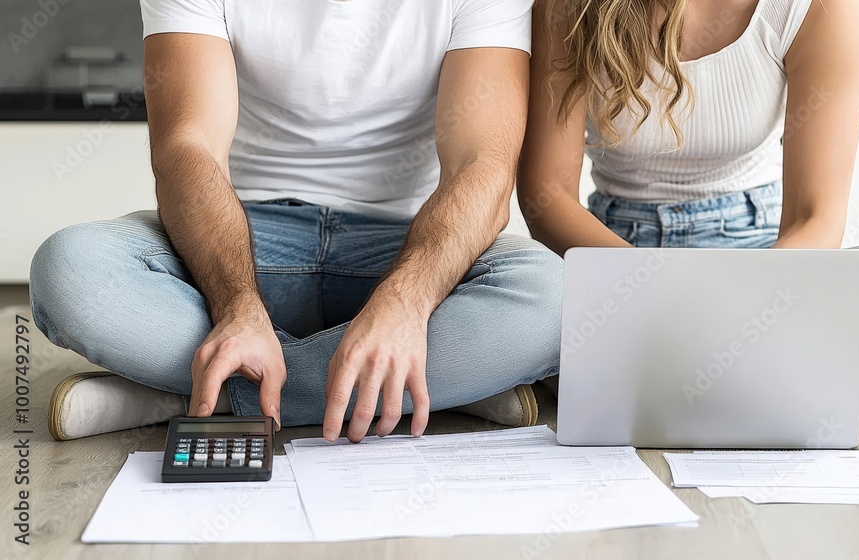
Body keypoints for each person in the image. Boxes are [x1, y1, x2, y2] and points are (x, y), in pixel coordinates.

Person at [31, 0, 562, 442]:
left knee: (556, 297)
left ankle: (194, 394)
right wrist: (236, 306)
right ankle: (436, 386)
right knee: (71, 269)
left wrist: (406, 303)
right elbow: (186, 148)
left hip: (406, 245)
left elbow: (482, 168)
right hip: (242, 239)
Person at [518, 0, 859, 396]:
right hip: (615, 258)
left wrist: (744, 310)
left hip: (764, 258)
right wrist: (654, 294)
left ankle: (648, 386)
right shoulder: (572, 6)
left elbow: (815, 217)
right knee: (526, 307)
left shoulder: (820, 5)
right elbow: (548, 195)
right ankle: (754, 392)